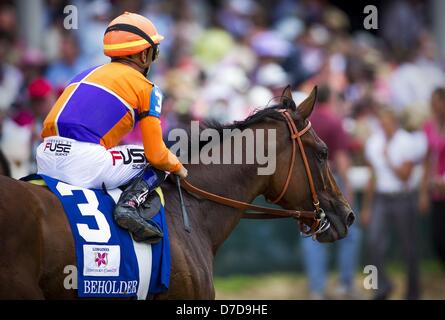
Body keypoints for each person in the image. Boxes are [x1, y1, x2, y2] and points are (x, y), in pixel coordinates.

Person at [36, 12, 188, 243]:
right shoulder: (147, 88)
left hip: (45, 156)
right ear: (145, 54)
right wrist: (178, 167)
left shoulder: (83, 74)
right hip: (83, 162)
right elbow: (156, 154)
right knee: (162, 160)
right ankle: (128, 207)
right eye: (154, 50)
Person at [299, 86, 361, 299]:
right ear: (332, 98)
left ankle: (316, 290)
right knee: (350, 233)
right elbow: (342, 160)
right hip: (333, 185)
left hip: (308, 186)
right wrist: (348, 189)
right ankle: (345, 285)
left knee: (311, 235)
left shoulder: (306, 123)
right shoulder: (335, 123)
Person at [361, 107, 427, 300]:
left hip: (403, 198)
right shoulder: (374, 142)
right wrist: (366, 207)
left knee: (409, 248)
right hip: (381, 198)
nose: (383, 124)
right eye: (381, 120)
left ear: (394, 121)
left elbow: (405, 176)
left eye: (386, 120)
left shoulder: (407, 141)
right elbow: (372, 177)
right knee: (373, 243)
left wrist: (388, 158)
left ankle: (413, 292)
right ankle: (381, 287)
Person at [420, 87, 445, 265]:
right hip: (437, 191)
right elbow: (427, 160)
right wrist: (423, 192)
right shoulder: (429, 126)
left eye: (436, 101)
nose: (433, 105)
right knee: (438, 240)